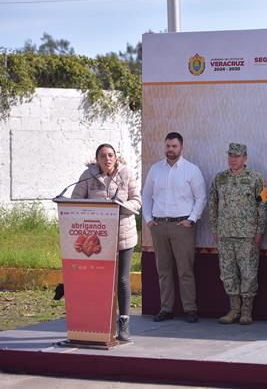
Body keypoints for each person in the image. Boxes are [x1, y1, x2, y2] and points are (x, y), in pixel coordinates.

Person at [71, 143, 141, 341]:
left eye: (111, 155)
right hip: (96, 237)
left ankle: (124, 325)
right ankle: (99, 324)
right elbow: (76, 200)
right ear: (97, 159)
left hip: (123, 234)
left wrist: (118, 207)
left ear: (116, 157)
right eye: (103, 156)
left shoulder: (126, 173)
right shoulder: (88, 175)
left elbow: (136, 201)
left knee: (122, 279)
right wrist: (96, 209)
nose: (108, 159)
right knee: (99, 280)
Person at [141, 132, 207, 324]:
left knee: (185, 269)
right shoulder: (155, 170)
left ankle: (190, 309)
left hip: (182, 225)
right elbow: (146, 196)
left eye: (174, 146)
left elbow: (201, 197)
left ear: (181, 147)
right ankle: (166, 308)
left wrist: (191, 220)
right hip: (159, 225)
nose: (170, 150)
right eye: (168, 146)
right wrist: (148, 219)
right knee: (164, 269)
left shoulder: (191, 170)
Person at [210, 143, 267, 325]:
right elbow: (212, 204)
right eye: (230, 156)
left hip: (247, 236)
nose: (233, 159)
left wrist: (260, 230)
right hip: (225, 235)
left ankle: (246, 311)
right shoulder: (220, 179)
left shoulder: (255, 178)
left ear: (245, 158)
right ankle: (234, 310)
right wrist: (215, 229)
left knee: (249, 273)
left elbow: (264, 204)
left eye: (236, 156)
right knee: (227, 273)